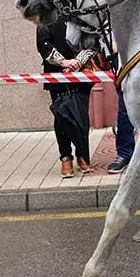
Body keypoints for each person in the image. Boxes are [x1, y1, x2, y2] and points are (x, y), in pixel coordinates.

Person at [37, 20, 96, 177]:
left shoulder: (80, 12)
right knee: (62, 117)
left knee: (81, 116)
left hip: (81, 71)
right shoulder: (47, 15)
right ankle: (66, 157)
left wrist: (76, 63)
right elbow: (43, 43)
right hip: (56, 74)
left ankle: (82, 154)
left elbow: (92, 40)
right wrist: (64, 62)